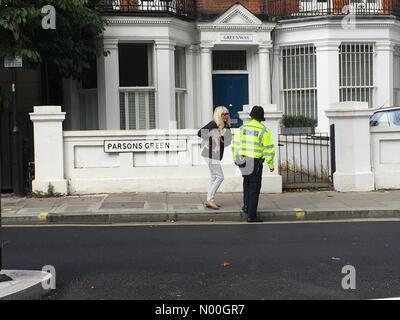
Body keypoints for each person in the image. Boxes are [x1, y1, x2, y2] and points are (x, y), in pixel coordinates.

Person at [232, 105, 275, 222]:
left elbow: (235, 144)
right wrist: (271, 166)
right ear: (261, 118)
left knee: (247, 182)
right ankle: (251, 215)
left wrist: (236, 158)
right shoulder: (263, 130)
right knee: (254, 188)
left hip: (243, 160)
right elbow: (269, 149)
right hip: (255, 162)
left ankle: (246, 206)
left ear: (251, 116)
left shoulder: (242, 128)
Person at [197, 106, 232, 210]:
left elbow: (226, 141)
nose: (226, 116)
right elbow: (200, 132)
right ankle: (210, 200)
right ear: (218, 115)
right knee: (220, 176)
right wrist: (211, 139)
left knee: (214, 177)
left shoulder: (225, 126)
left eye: (227, 114)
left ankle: (209, 199)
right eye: (223, 114)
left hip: (214, 154)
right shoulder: (214, 124)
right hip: (210, 153)